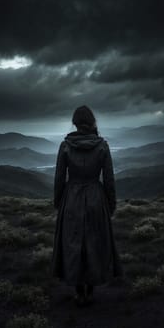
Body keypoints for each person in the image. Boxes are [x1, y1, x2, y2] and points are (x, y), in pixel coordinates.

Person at [51, 105, 123, 307]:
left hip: (71, 198)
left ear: (75, 122)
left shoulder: (65, 145)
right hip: (95, 198)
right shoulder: (102, 146)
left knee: (74, 244)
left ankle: (79, 292)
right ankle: (90, 292)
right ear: (92, 122)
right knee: (94, 243)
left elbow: (59, 178)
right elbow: (109, 179)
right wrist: (111, 204)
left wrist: (59, 203)